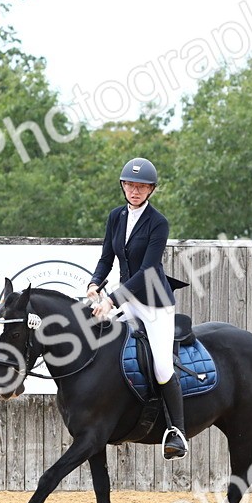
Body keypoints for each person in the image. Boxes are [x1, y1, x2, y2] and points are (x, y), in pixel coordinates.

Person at [87, 157, 188, 459]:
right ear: (123, 186)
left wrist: (112, 300)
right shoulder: (116, 217)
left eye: (141, 186)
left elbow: (147, 271)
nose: (134, 190)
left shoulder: (158, 223)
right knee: (97, 338)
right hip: (126, 298)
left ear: (151, 190)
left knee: (161, 367)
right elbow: (107, 257)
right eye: (130, 185)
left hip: (154, 302)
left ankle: (177, 433)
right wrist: (94, 283)